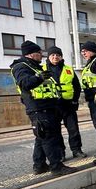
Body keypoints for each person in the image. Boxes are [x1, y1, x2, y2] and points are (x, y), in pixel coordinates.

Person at [10, 40, 76, 176]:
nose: (42, 55)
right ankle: (56, 167)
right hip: (39, 107)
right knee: (49, 137)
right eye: (39, 53)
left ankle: (39, 165)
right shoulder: (21, 67)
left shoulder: (34, 66)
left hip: (47, 106)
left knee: (41, 136)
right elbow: (25, 83)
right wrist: (38, 77)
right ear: (31, 54)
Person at [44, 46, 87, 159]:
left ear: (61, 57)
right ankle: (60, 154)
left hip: (68, 104)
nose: (55, 57)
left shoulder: (68, 69)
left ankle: (76, 150)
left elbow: (77, 87)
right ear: (48, 57)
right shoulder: (42, 70)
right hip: (52, 105)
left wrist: (74, 100)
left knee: (73, 129)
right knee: (56, 131)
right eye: (53, 55)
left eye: (57, 55)